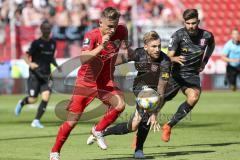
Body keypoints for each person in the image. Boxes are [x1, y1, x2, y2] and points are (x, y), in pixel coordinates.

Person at [50, 7, 130, 160]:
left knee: (120, 105)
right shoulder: (91, 36)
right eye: (109, 26)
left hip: (105, 82)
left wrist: (129, 56)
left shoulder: (122, 31)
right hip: (86, 83)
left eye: (115, 25)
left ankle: (97, 130)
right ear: (100, 23)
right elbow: (83, 58)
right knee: (72, 121)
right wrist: (102, 46)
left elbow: (120, 52)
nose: (112, 30)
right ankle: (55, 152)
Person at [132, 8, 215, 151]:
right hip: (174, 74)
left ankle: (169, 125)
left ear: (198, 22)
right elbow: (165, 57)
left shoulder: (207, 36)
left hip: (192, 75)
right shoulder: (178, 35)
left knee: (194, 97)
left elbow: (211, 46)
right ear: (184, 23)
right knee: (157, 101)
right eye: (188, 23)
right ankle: (140, 135)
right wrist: (175, 58)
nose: (191, 26)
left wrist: (205, 61)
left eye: (193, 23)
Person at [86, 31, 171, 159]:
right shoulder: (138, 53)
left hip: (155, 91)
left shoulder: (165, 61)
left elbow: (161, 87)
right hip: (139, 87)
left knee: (133, 126)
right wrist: (102, 63)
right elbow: (118, 59)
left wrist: (155, 111)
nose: (157, 49)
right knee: (146, 114)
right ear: (145, 47)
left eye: (159, 46)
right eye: (154, 46)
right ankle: (139, 150)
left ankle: (101, 131)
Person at [14, 20, 60, 128]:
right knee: (33, 99)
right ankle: (22, 102)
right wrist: (30, 64)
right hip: (35, 75)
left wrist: (57, 66)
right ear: (41, 30)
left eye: (48, 28)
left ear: (50, 30)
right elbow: (25, 56)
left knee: (46, 96)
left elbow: (51, 57)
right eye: (44, 28)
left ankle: (36, 121)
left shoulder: (53, 43)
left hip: (46, 75)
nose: (46, 30)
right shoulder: (36, 43)